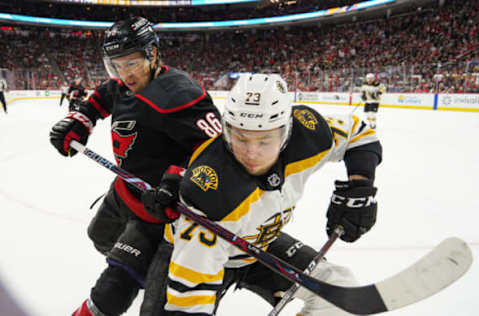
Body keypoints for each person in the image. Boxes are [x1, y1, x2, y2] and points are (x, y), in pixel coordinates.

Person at [142, 74, 382, 315]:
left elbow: (358, 133)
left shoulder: (309, 134)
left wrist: (360, 185)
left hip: (259, 243)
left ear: (286, 131)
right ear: (226, 131)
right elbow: (191, 299)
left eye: (265, 140)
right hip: (190, 255)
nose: (251, 153)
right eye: (241, 137)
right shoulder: (211, 192)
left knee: (341, 291)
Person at [48, 16, 222, 316]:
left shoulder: (180, 94)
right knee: (99, 236)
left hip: (161, 211)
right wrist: (81, 119)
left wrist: (177, 180)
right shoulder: (121, 84)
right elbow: (104, 95)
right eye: (116, 65)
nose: (124, 74)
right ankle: (145, 265)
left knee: (120, 287)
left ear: (153, 54)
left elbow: (216, 152)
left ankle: (146, 266)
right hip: (124, 193)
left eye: (131, 63)